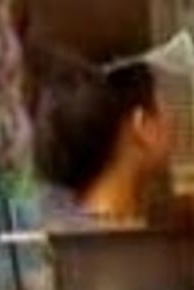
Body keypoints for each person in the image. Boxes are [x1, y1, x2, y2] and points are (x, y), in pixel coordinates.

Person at [27, 51, 170, 222]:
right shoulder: (123, 245)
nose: (170, 120)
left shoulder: (61, 233)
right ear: (142, 125)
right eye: (163, 109)